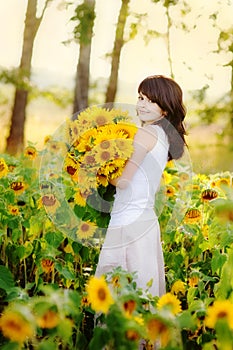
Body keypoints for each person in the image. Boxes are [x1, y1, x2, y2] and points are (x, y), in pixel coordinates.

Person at [95, 75, 187, 297]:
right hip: (145, 220)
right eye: (140, 98)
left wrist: (99, 170)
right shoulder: (163, 135)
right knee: (142, 288)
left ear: (165, 108)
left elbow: (123, 181)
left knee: (118, 289)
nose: (142, 104)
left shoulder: (145, 133)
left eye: (151, 100)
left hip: (128, 221)